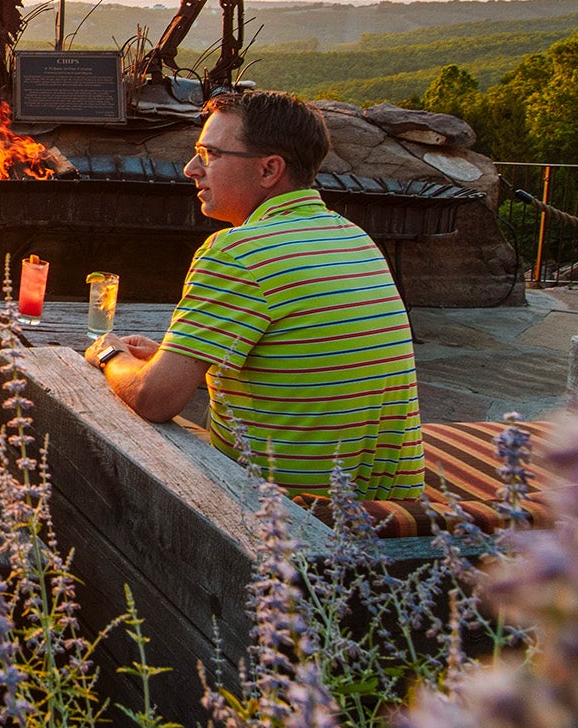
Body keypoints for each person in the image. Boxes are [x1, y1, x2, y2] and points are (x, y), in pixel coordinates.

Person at [87, 88, 423, 502]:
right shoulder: (354, 239)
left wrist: (109, 353)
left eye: (210, 154)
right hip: (395, 516)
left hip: (292, 522)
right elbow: (302, 370)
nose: (192, 168)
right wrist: (176, 358)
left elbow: (153, 398)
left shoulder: (236, 251)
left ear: (269, 170)